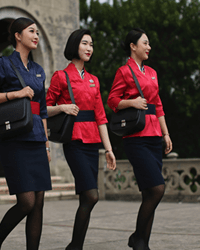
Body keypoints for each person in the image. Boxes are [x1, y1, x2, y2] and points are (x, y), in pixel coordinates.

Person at [0, 17, 51, 250]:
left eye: (38, 32)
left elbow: (42, 110)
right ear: (18, 36)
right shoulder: (4, 64)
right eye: (31, 31)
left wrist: (47, 144)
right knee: (26, 202)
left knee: (38, 202)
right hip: (15, 139)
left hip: (37, 139)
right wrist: (15, 94)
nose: (36, 35)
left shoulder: (39, 70)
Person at [46, 29, 116, 250]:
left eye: (91, 44)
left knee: (86, 199)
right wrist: (62, 107)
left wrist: (108, 149)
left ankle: (75, 246)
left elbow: (101, 117)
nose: (89, 48)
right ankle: (75, 246)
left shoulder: (94, 80)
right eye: (85, 43)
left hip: (92, 142)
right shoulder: (60, 76)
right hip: (74, 142)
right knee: (92, 195)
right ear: (75, 45)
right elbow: (42, 110)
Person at [107, 28, 173, 250]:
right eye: (145, 43)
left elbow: (159, 105)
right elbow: (112, 100)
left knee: (148, 192)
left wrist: (166, 133)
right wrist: (132, 102)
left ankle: (142, 242)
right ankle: (137, 238)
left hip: (155, 136)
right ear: (133, 46)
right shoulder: (124, 71)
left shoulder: (153, 72)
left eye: (149, 43)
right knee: (157, 189)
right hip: (136, 138)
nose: (149, 47)